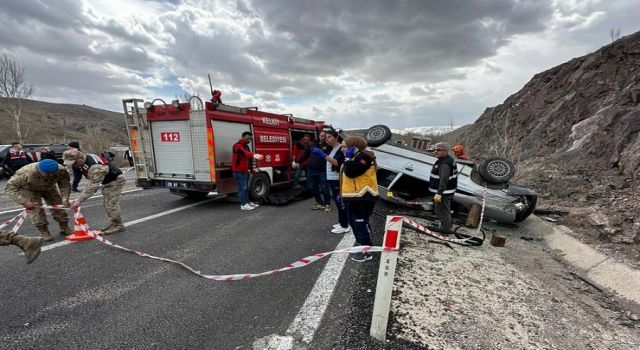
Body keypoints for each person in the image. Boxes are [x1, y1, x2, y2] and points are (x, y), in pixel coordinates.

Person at [4, 159, 72, 241]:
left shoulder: (61, 170)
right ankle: (44, 231)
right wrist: (24, 202)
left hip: (49, 187)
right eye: (47, 174)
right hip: (29, 189)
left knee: (58, 206)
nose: (50, 175)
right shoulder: (26, 173)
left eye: (53, 174)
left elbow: (64, 184)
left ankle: (64, 227)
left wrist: (65, 198)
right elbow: (10, 188)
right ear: (40, 170)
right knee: (36, 211)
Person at [63, 149, 126, 235]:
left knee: (111, 204)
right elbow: (91, 182)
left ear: (79, 158)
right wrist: (79, 198)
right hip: (107, 181)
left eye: (74, 162)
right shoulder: (85, 160)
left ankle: (118, 225)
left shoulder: (95, 168)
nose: (73, 165)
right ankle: (114, 222)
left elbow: (92, 186)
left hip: (115, 181)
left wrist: (79, 200)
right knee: (106, 204)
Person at [340, 136, 379, 262]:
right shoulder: (355, 157)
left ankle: (367, 250)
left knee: (360, 222)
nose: (342, 149)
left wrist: (346, 159)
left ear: (354, 147)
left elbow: (351, 172)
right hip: (353, 196)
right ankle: (361, 243)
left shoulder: (365, 157)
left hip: (363, 197)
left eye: (345, 146)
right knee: (354, 222)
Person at [313, 130, 348, 227]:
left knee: (340, 202)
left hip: (337, 178)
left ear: (336, 137)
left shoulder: (340, 148)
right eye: (326, 137)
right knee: (337, 202)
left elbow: (337, 163)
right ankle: (341, 222)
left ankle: (344, 225)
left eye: (329, 137)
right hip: (331, 178)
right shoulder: (333, 148)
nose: (327, 139)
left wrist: (323, 155)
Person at [297, 132, 332, 211]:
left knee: (324, 188)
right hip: (312, 170)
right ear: (319, 136)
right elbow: (305, 155)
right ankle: (319, 203)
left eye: (324, 136)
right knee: (313, 188)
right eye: (321, 135)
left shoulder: (329, 146)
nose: (323, 137)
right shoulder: (312, 145)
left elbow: (331, 158)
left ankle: (327, 204)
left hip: (323, 171)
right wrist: (298, 162)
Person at [429, 142, 459, 233]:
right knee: (444, 210)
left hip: (444, 193)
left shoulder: (445, 164)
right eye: (434, 150)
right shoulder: (445, 160)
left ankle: (445, 231)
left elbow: (444, 179)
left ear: (445, 151)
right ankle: (446, 226)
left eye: (438, 150)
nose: (435, 152)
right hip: (446, 192)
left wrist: (439, 193)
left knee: (442, 211)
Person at [231, 132, 263, 210]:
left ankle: (248, 202)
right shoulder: (237, 146)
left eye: (250, 139)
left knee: (247, 187)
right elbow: (244, 153)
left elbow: (249, 160)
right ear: (242, 137)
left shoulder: (247, 146)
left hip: (246, 171)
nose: (249, 140)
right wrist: (254, 155)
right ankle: (243, 204)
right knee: (243, 188)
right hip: (239, 171)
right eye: (248, 138)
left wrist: (251, 170)